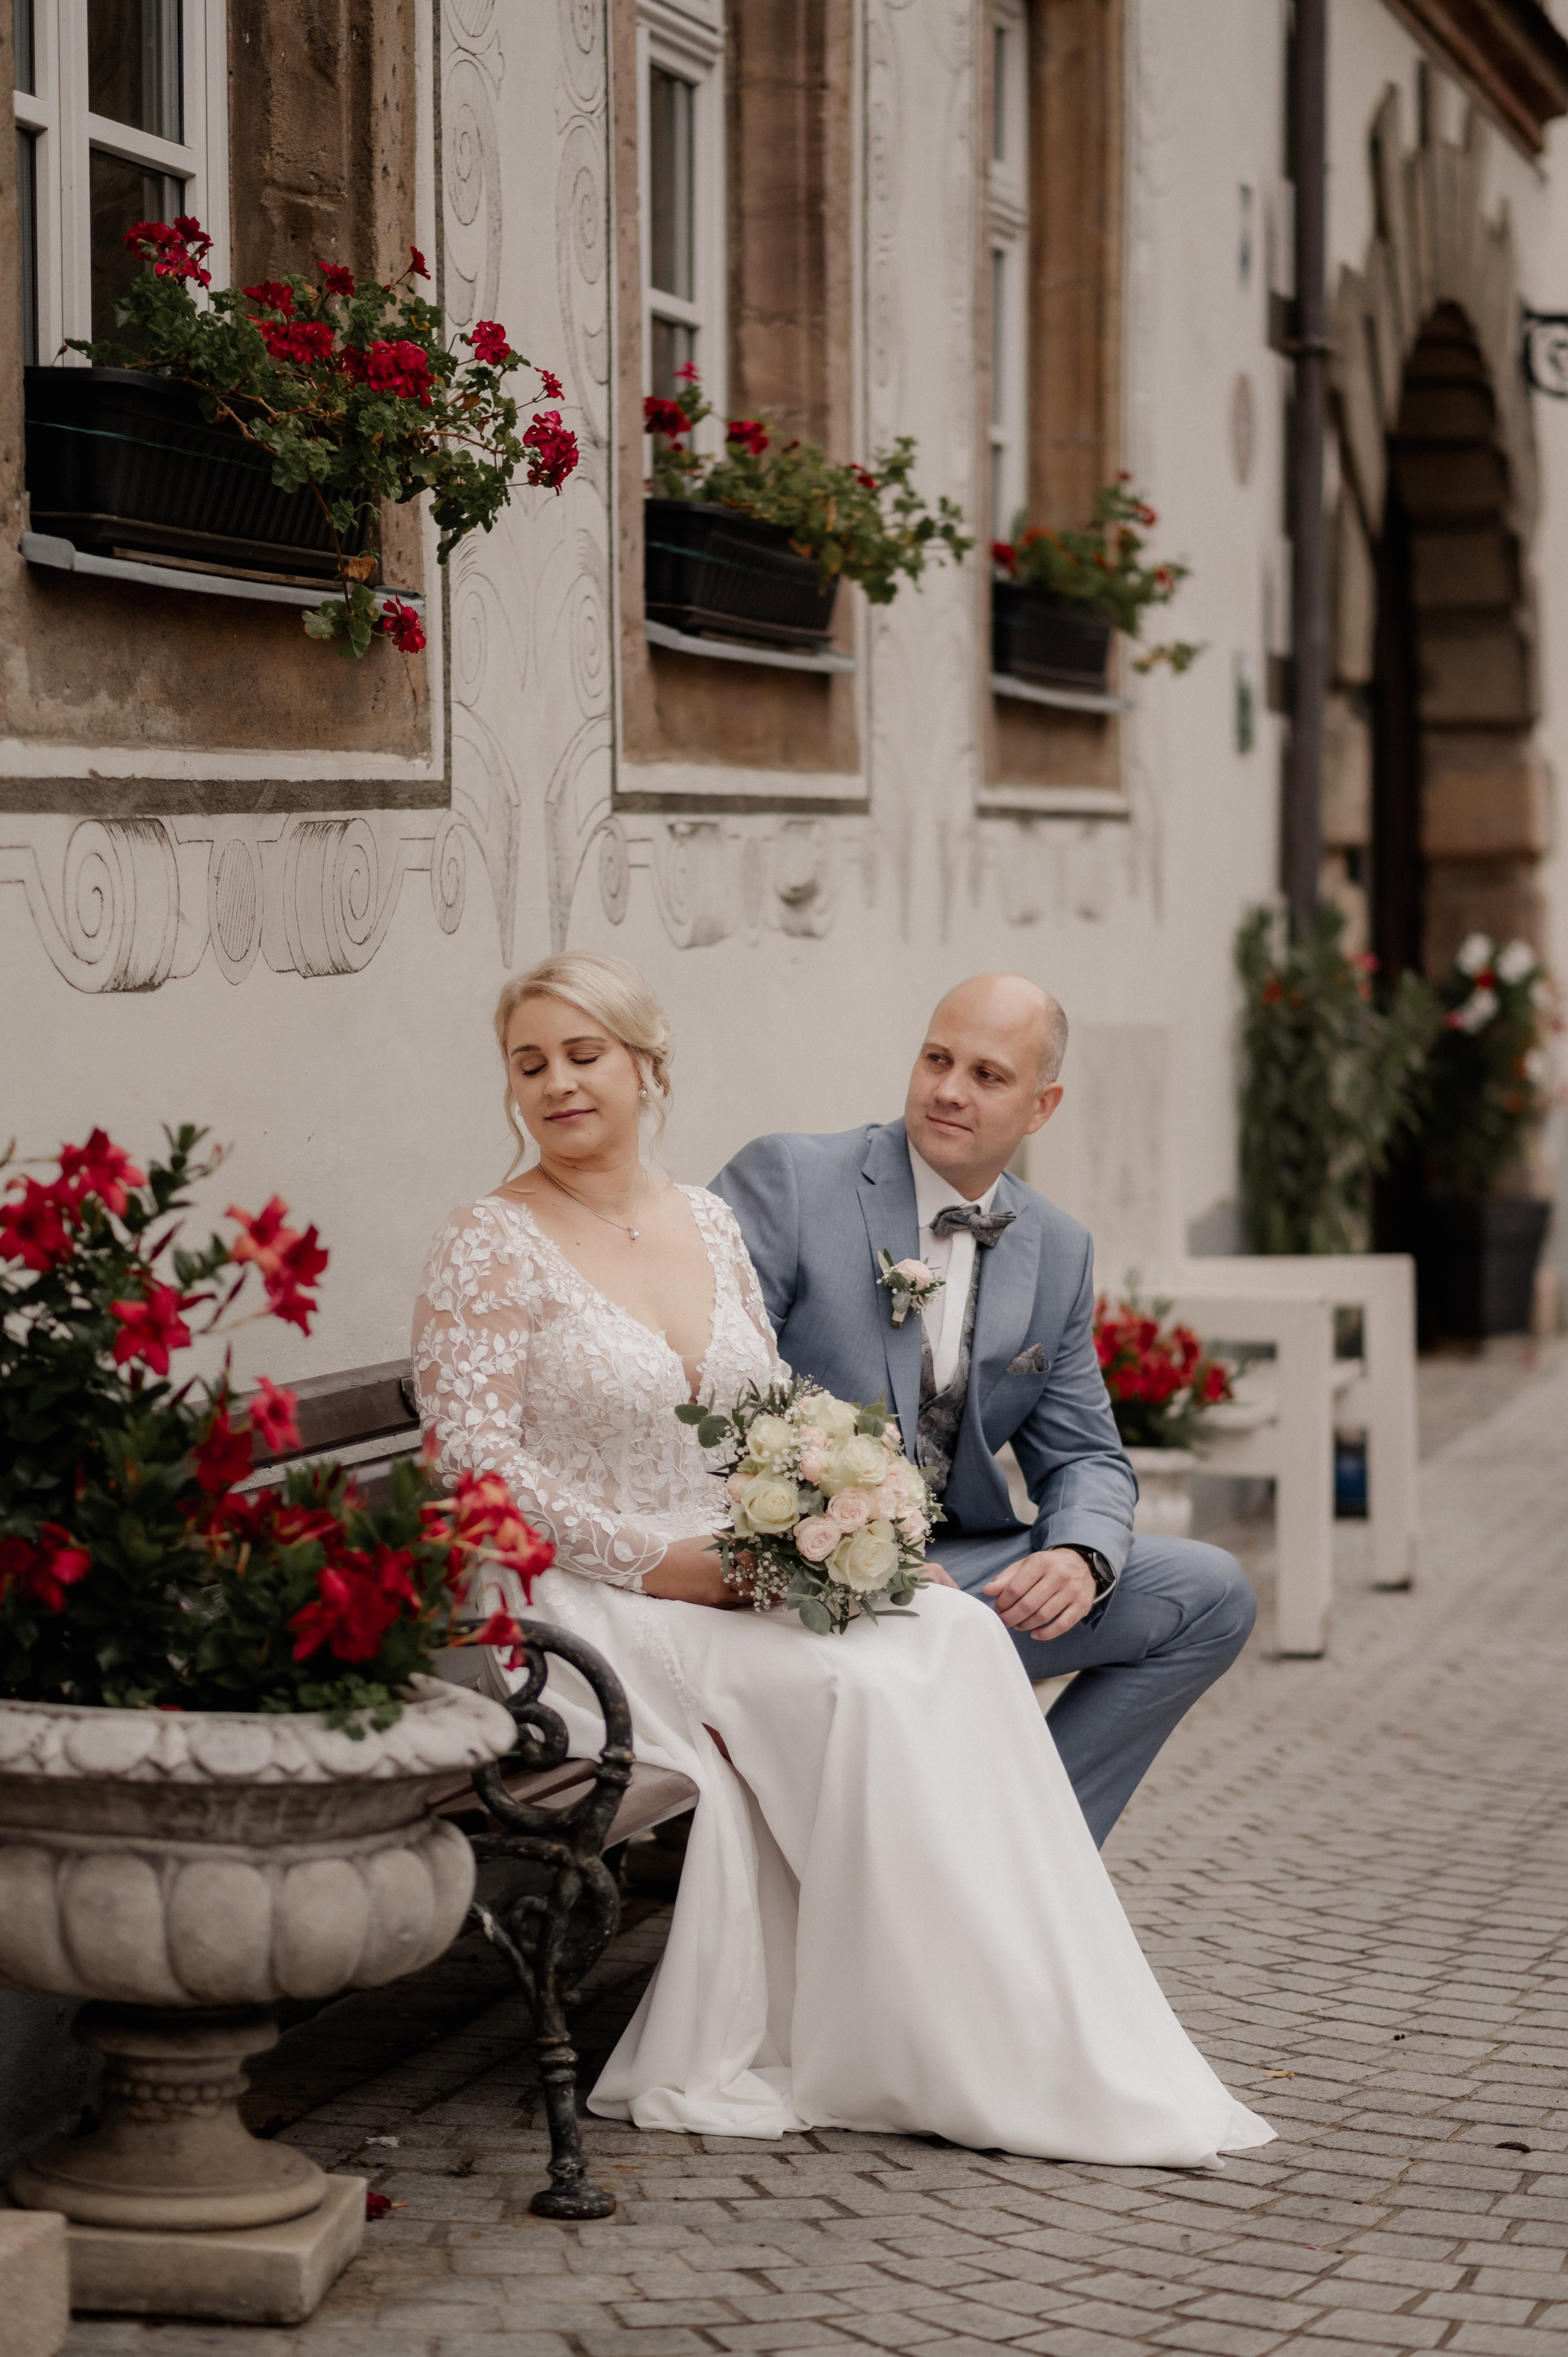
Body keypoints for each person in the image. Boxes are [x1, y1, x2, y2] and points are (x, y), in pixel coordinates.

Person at [413, 951, 1270, 2166]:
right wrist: (680, 1561)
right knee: (866, 1684)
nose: (557, 1082)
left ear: (646, 1070)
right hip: (597, 1595)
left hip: (778, 1560)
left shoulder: (703, 1220)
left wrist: (863, 1535)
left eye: (584, 1054)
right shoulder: (495, 1242)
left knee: (966, 1635)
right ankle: (946, 1987)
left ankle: (995, 1958)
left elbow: (771, 1420)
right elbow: (469, 1472)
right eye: (530, 1062)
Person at [711, 971, 1257, 1848]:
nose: (950, 1091)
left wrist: (1081, 1555)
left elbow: (1086, 1457)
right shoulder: (792, 1182)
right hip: (808, 1568)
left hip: (964, 1576)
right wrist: (863, 1551)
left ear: (1042, 1107)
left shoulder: (1059, 1247)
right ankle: (985, 1882)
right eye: (938, 1059)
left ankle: (1021, 1855)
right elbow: (717, 1404)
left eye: (988, 1076)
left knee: (1210, 1594)